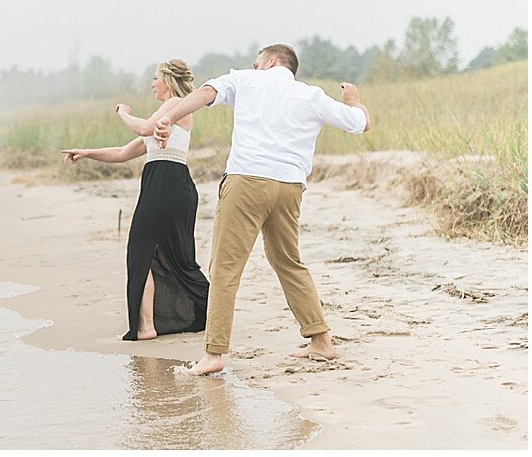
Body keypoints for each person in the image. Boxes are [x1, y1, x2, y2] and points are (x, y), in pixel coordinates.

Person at [147, 44, 371, 376]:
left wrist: (167, 116)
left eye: (257, 61)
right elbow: (360, 123)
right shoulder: (311, 95)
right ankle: (321, 341)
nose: (254, 65)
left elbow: (206, 93)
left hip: (247, 182)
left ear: (270, 61)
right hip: (289, 188)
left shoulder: (247, 79)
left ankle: (213, 353)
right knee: (288, 262)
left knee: (225, 268)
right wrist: (353, 100)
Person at [61, 59, 210, 341]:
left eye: (155, 78)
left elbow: (142, 129)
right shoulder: (164, 118)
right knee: (173, 256)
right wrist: (86, 152)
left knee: (143, 252)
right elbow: (121, 152)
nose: (152, 83)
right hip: (169, 185)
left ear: (167, 80)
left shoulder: (176, 104)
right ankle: (191, 314)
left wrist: (122, 112)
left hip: (165, 185)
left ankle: (147, 327)